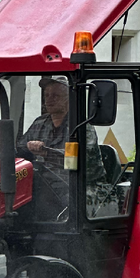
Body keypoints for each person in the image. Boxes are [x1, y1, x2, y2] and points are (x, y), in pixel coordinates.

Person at [16, 77, 106, 218]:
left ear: (68, 99)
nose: (49, 99)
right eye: (47, 95)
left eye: (55, 95)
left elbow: (82, 158)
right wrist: (25, 147)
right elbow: (20, 149)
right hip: (45, 185)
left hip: (78, 186)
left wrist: (46, 153)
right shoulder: (39, 123)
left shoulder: (81, 127)